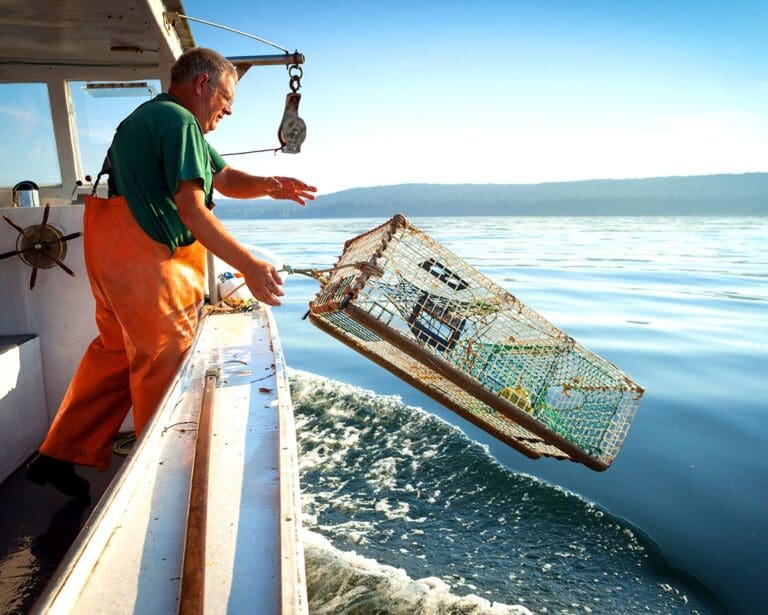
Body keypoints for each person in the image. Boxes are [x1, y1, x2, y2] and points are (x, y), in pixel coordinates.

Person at [25, 48, 316, 498]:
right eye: (226, 96)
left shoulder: (159, 119)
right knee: (162, 365)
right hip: (148, 268)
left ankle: (59, 455)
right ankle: (163, 482)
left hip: (113, 260)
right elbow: (192, 210)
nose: (230, 108)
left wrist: (268, 186)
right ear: (202, 85)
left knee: (115, 355)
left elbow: (223, 177)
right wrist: (249, 265)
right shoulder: (180, 123)